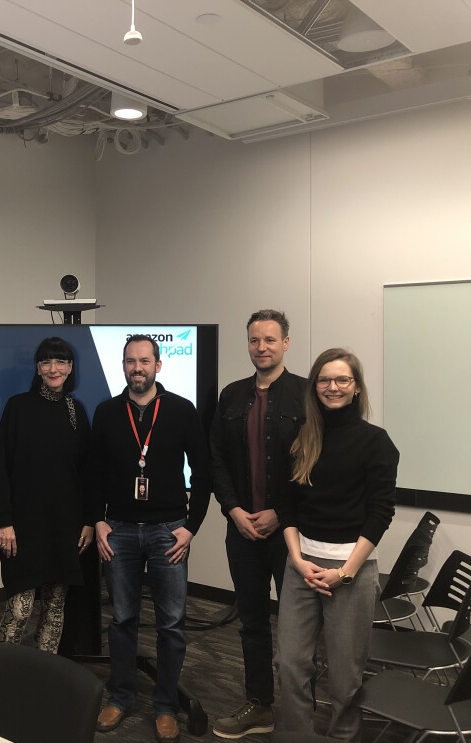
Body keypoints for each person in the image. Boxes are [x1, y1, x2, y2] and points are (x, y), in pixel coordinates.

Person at [91, 335, 211, 743]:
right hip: (119, 531)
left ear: (158, 365)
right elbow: (93, 472)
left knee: (171, 624)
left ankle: (165, 706)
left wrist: (191, 526)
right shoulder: (107, 412)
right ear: (123, 366)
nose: (137, 368)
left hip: (168, 531)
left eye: (145, 361)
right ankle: (121, 696)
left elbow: (204, 471)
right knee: (122, 619)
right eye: (130, 361)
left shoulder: (181, 409)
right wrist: (97, 520)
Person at [276, 348, 399, 741]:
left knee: (346, 676)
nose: (333, 387)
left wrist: (344, 573)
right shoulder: (301, 438)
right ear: (315, 386)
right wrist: (297, 560)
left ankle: (343, 736)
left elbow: (380, 514)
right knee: (290, 663)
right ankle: (297, 735)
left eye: (342, 379)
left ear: (356, 386)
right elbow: (287, 507)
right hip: (301, 567)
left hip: (352, 571)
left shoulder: (376, 442)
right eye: (325, 380)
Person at [209, 310, 307, 739]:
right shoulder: (231, 396)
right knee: (251, 622)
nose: (261, 347)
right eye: (254, 340)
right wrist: (233, 510)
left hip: (291, 534)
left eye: (269, 339)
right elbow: (216, 459)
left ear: (285, 343)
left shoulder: (307, 395)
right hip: (242, 530)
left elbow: (314, 463)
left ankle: (301, 714)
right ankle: (260, 705)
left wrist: (280, 513)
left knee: (298, 628)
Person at [0, 337, 94, 654]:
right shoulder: (17, 406)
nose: (53, 368)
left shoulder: (76, 410)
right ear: (37, 368)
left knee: (54, 608)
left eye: (61, 361)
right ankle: (2, 673)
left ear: (70, 368)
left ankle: (43, 672)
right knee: (19, 611)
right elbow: (1, 468)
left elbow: (87, 473)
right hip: (23, 528)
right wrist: (4, 521)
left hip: (64, 528)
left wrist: (89, 521)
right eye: (46, 362)